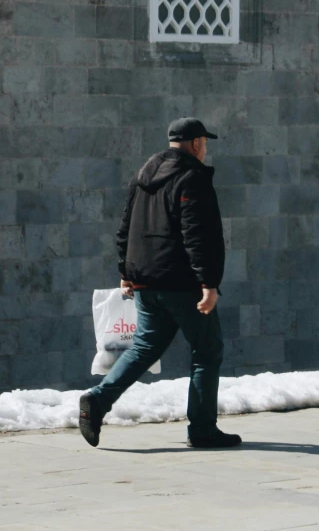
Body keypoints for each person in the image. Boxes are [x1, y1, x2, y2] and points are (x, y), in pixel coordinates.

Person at [79, 117, 241, 450]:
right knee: (207, 351)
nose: (206, 149)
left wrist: (126, 271)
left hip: (145, 283)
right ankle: (202, 429)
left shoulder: (142, 175)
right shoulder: (192, 178)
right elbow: (197, 234)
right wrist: (208, 283)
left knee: (143, 349)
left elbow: (125, 228)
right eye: (205, 143)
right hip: (182, 284)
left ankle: (97, 400)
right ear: (196, 143)